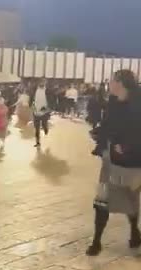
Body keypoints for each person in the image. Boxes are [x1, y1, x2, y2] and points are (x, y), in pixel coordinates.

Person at [86, 70, 141, 256]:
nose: (109, 83)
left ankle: (134, 232)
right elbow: (109, 125)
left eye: (112, 80)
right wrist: (99, 133)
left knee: (130, 199)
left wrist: (127, 146)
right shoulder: (113, 102)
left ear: (121, 83)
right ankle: (97, 241)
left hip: (132, 162)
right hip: (111, 159)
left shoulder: (138, 103)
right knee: (102, 199)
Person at [30, 80, 50, 148]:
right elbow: (31, 100)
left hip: (44, 111)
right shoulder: (34, 91)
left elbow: (51, 100)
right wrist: (32, 107)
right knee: (37, 128)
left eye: (43, 82)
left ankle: (46, 130)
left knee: (44, 125)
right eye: (40, 82)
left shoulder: (47, 91)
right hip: (36, 111)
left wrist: (47, 108)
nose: (42, 83)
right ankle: (38, 142)